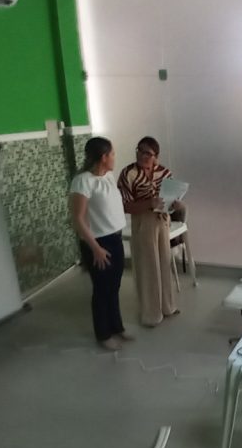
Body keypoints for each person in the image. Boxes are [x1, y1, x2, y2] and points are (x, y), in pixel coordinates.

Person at [69, 137, 131, 351]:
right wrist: (95, 248)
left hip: (115, 238)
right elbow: (77, 218)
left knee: (114, 286)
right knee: (102, 289)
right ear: (103, 157)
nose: (114, 157)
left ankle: (117, 327)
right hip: (98, 243)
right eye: (112, 154)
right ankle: (103, 334)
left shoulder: (109, 176)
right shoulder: (83, 181)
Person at [118, 136, 179, 327]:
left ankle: (167, 307)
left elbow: (170, 199)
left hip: (162, 221)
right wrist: (148, 204)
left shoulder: (164, 172)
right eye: (140, 150)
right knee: (147, 267)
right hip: (142, 222)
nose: (143, 155)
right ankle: (150, 314)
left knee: (164, 263)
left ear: (156, 156)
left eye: (148, 153)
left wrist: (174, 203)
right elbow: (125, 206)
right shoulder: (128, 173)